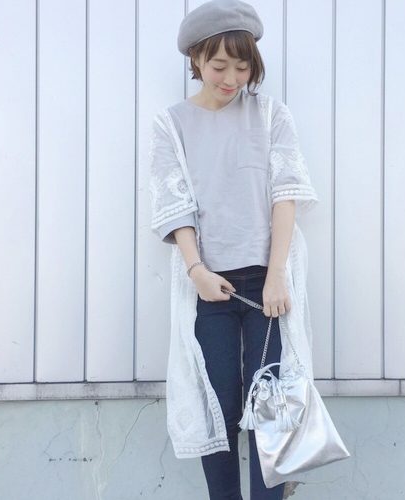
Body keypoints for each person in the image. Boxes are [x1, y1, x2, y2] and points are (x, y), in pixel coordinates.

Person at [148, 1, 319, 498]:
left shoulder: (270, 115)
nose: (231, 78)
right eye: (219, 65)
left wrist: (277, 275)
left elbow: (285, 193)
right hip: (209, 287)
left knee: (272, 408)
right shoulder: (172, 123)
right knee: (217, 407)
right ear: (196, 59)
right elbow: (174, 201)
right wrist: (196, 269)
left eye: (242, 67)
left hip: (267, 286)